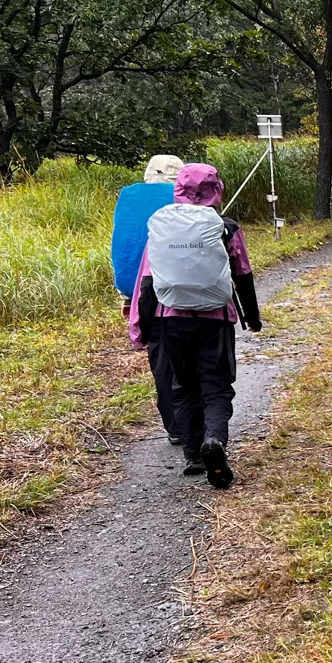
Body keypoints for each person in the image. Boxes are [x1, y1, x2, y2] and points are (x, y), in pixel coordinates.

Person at [127, 163, 264, 489]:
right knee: (215, 385)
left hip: (170, 320)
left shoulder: (162, 228)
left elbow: (146, 283)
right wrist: (252, 318)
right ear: (217, 189)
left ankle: (193, 455)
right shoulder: (226, 227)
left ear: (179, 189)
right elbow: (242, 274)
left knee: (183, 385)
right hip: (215, 320)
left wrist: (141, 327)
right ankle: (214, 440)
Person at [111, 154, 186, 444]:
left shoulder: (128, 196)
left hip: (139, 290)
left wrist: (126, 294)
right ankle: (195, 419)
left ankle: (175, 427)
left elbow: (123, 243)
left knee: (161, 360)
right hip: (179, 289)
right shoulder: (186, 200)